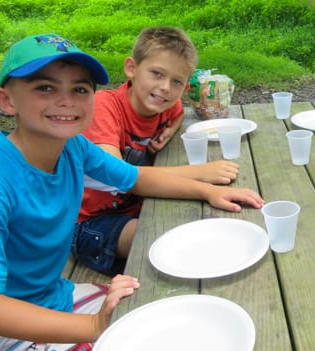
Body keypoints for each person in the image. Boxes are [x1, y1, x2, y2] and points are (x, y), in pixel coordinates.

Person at [0, 33, 262, 351]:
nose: (66, 100)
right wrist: (94, 327)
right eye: (45, 88)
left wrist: (209, 191)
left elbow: (135, 177)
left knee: (168, 313)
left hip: (56, 297)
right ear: (6, 100)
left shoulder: (73, 147)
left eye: (80, 89)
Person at [74, 27, 256, 275]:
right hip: (90, 223)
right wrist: (200, 177)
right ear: (132, 68)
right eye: (157, 74)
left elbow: (178, 108)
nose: (165, 88)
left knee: (208, 228)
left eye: (177, 82)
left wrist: (172, 126)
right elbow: (119, 176)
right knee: (167, 240)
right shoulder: (104, 108)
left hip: (139, 205)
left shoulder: (164, 104)